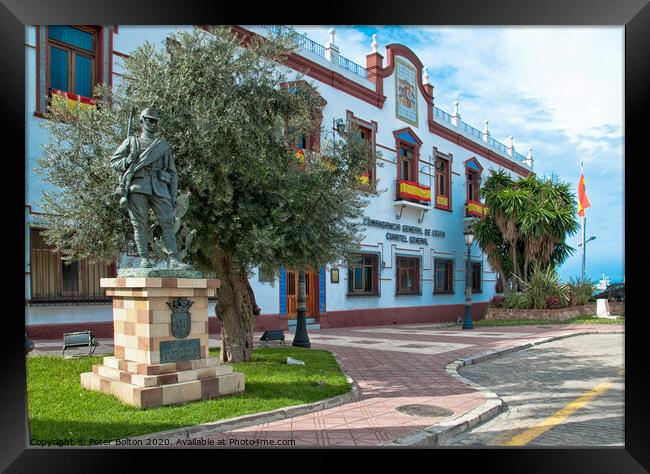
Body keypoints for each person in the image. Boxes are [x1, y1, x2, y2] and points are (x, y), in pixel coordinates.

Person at [111, 107, 187, 269]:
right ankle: (144, 259)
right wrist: (127, 162)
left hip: (159, 188)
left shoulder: (163, 146)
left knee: (168, 222)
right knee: (139, 224)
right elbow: (114, 162)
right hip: (138, 186)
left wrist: (172, 196)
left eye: (155, 121)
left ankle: (174, 259)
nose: (153, 124)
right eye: (149, 120)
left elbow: (172, 173)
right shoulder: (132, 142)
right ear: (142, 121)